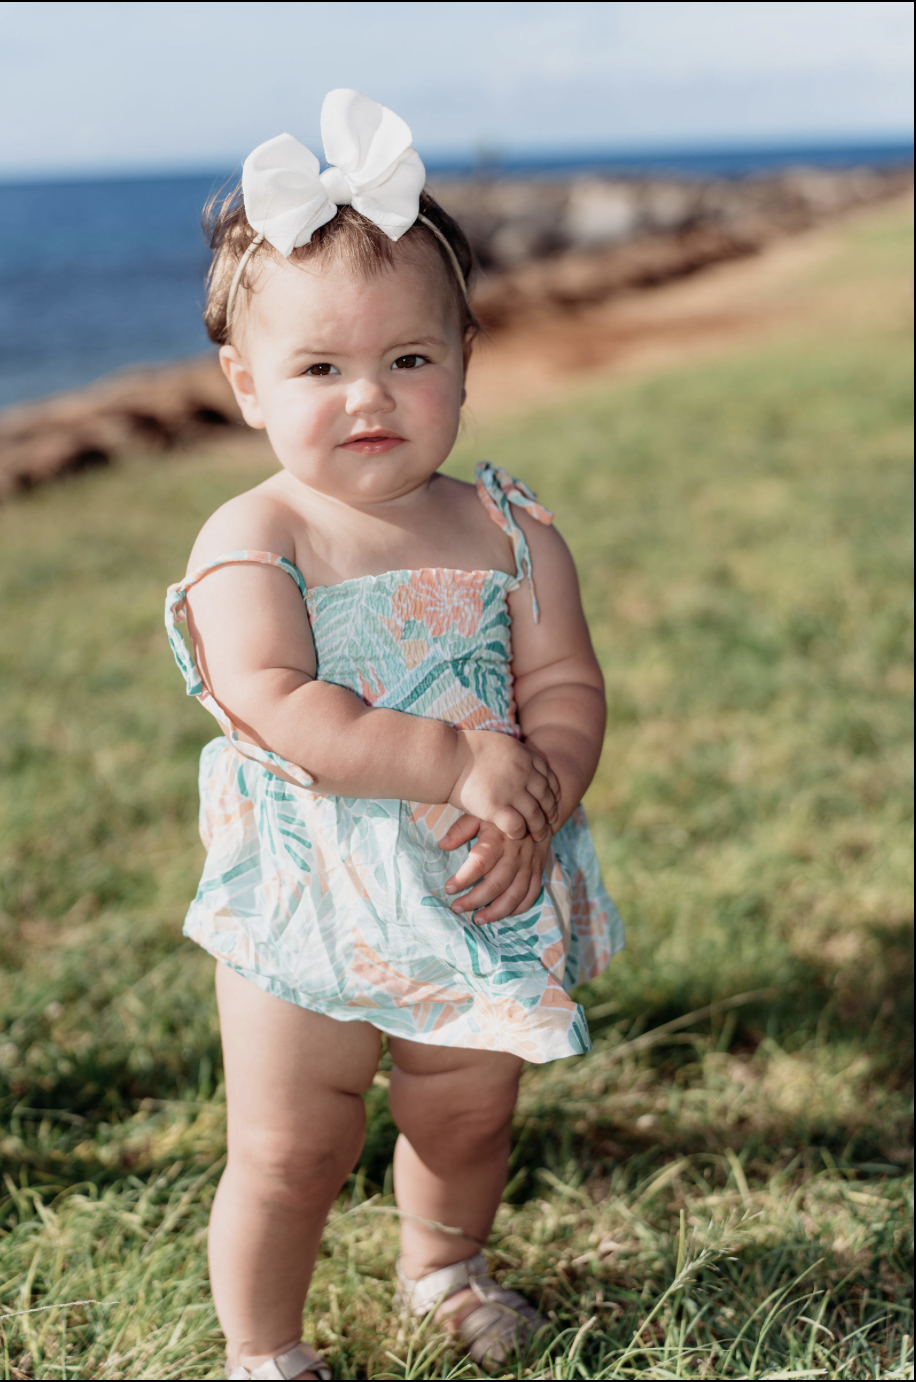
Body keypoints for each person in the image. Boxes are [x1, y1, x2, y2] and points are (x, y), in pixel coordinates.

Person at [165, 89, 624, 1382]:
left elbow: (565, 683)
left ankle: (444, 1265)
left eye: (408, 359)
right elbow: (279, 704)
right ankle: (264, 1344)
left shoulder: (509, 529)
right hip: (309, 889)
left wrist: (538, 790)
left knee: (468, 1105)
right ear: (248, 387)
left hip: (477, 880)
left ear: (465, 359)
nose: (369, 395)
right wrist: (454, 760)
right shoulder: (257, 538)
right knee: (291, 1142)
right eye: (320, 369)